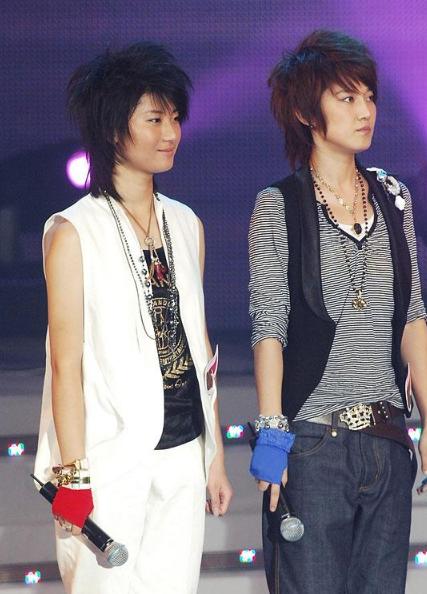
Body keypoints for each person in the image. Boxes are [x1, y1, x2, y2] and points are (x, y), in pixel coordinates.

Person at [34, 41, 232, 594]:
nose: (171, 132)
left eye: (175, 118)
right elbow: (65, 363)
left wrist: (213, 458)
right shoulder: (74, 232)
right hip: (109, 458)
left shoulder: (186, 223)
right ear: (113, 129)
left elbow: (200, 348)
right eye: (154, 119)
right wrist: (74, 476)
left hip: (183, 451)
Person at [248, 30, 427, 593]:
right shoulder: (279, 204)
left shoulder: (394, 198)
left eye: (368, 96)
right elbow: (269, 324)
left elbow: (413, 316)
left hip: (388, 442)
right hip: (313, 445)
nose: (364, 111)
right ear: (306, 112)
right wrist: (273, 433)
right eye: (346, 98)